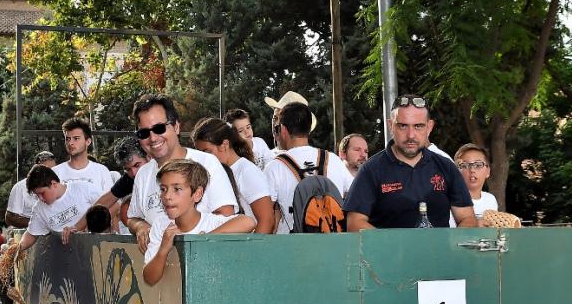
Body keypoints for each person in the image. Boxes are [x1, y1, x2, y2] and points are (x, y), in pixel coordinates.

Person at [125, 94, 238, 252]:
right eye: (144, 133)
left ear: (176, 127)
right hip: (160, 264)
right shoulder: (143, 174)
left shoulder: (206, 163)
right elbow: (132, 217)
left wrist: (196, 243)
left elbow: (226, 216)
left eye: (159, 128)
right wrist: (140, 226)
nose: (153, 138)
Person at [344, 96, 476, 230]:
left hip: (439, 244)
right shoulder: (371, 169)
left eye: (418, 126)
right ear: (391, 126)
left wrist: (453, 242)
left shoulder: (446, 166)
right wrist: (390, 243)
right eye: (403, 126)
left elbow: (467, 218)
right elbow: (354, 223)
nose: (411, 135)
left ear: (429, 127)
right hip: (388, 244)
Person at [142, 160, 255, 285]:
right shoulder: (161, 225)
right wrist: (163, 249)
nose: (167, 196)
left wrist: (203, 239)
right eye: (163, 189)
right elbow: (149, 279)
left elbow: (248, 222)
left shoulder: (211, 223)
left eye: (177, 189)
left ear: (197, 194)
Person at [263, 101, 353, 234]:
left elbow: (266, 218)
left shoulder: (274, 167)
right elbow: (356, 198)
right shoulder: (333, 160)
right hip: (334, 243)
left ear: (283, 129)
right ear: (309, 129)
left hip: (293, 244)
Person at [192, 117, 276, 234]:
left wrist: (253, 246)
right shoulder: (215, 173)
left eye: (207, 152)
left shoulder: (247, 171)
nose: (203, 158)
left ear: (224, 145)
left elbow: (267, 220)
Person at [15, 165, 99, 256]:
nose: (40, 198)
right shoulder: (39, 209)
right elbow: (32, 234)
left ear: (54, 184)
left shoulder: (84, 188)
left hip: (95, 250)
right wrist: (16, 249)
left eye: (42, 193)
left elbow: (108, 206)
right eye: (37, 195)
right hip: (66, 257)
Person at [93, 138, 149, 233]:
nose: (134, 173)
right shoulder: (128, 179)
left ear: (149, 157)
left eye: (137, 165)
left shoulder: (163, 172)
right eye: (128, 169)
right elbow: (102, 204)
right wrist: (76, 227)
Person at [55, 117, 113, 198]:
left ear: (88, 141)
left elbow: (112, 202)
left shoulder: (101, 171)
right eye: (67, 139)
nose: (70, 143)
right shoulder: (56, 173)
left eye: (76, 138)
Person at [450, 143, 500, 225]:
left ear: (488, 171)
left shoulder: (490, 200)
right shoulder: (448, 201)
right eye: (464, 165)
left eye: (478, 165)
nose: (472, 170)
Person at [5, 151, 56, 228]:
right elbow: (10, 218)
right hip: (28, 232)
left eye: (54, 170)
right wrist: (38, 223)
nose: (51, 174)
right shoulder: (20, 187)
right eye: (47, 170)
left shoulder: (57, 186)